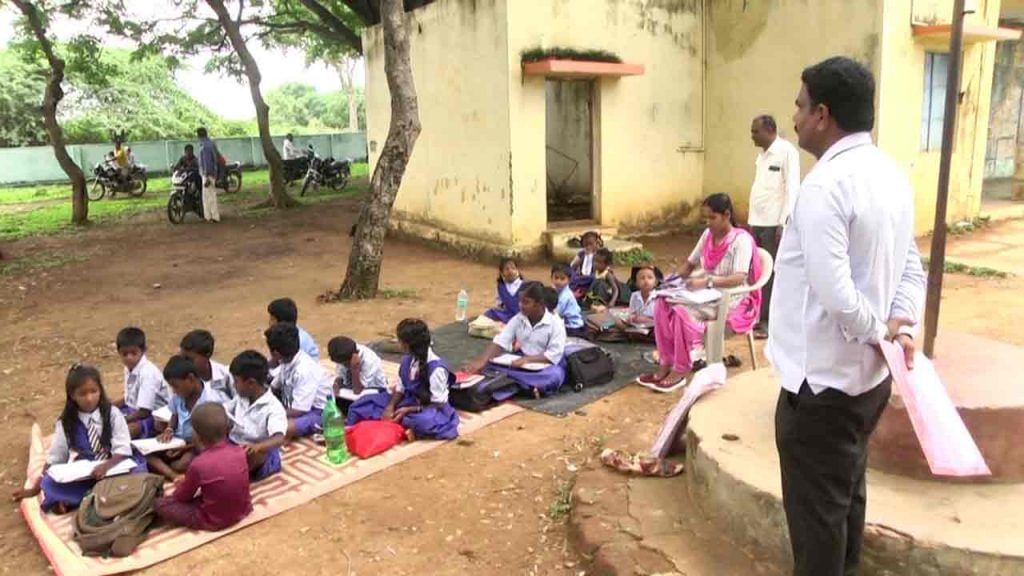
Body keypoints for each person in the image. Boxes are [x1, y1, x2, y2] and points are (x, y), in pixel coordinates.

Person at [769, 56, 925, 576]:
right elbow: (911, 266)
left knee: (817, 525)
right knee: (844, 504)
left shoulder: (825, 186)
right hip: (867, 384)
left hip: (820, 390)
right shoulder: (891, 175)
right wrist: (897, 323)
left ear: (823, 115)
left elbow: (836, 295)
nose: (793, 116)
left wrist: (882, 329)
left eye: (799, 105)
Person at [637, 193, 763, 393]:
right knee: (662, 302)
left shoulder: (741, 241)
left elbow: (739, 278)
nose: (708, 223)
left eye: (712, 218)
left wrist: (707, 281)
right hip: (704, 293)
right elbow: (689, 265)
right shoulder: (707, 235)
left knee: (680, 311)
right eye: (705, 218)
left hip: (730, 298)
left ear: (726, 215)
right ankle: (666, 362)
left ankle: (681, 369)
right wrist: (668, 282)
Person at [11, 364, 145, 513]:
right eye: (82, 394)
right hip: (87, 474)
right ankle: (100, 497)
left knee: (138, 474)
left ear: (100, 390)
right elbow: (56, 458)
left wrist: (105, 466)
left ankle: (84, 500)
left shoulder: (113, 414)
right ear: (72, 396)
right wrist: (35, 489)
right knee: (50, 483)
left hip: (115, 466)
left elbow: (123, 448)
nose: (89, 398)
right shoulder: (66, 422)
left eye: (94, 391)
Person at [155, 403, 252, 531]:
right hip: (243, 509)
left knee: (160, 504)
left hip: (212, 520)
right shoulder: (239, 451)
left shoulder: (198, 464)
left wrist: (181, 485)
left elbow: (182, 497)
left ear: (197, 436)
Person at [462, 281, 568, 399]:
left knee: (554, 376)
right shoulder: (518, 319)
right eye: (520, 301)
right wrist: (481, 361)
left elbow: (553, 355)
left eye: (526, 302)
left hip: (546, 365)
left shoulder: (556, 324)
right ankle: (525, 386)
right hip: (520, 363)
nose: (521, 305)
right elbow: (501, 341)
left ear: (540, 304)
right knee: (489, 365)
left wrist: (527, 360)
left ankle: (514, 384)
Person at [749, 114, 801, 339]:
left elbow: (792, 188)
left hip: (773, 223)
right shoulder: (762, 156)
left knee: (770, 273)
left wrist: (784, 222)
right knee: (756, 271)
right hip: (757, 221)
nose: (752, 136)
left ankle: (768, 322)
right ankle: (756, 316)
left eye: (755, 131)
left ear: (769, 130)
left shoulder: (786, 152)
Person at [148, 355, 226, 482]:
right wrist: (169, 430)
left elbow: (210, 439)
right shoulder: (179, 396)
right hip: (177, 441)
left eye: (175, 386)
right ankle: (173, 475)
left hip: (196, 445)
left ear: (190, 379)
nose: (173, 391)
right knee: (147, 455)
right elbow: (174, 415)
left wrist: (185, 448)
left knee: (183, 463)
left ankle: (171, 471)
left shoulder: (211, 401)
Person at [381, 319, 459, 441]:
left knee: (424, 421)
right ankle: (406, 425)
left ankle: (409, 426)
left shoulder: (436, 369)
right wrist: (390, 406)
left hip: (431, 407)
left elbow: (439, 402)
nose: (398, 344)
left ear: (406, 345)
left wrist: (409, 410)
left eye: (400, 341)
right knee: (374, 401)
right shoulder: (407, 360)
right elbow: (400, 387)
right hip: (410, 400)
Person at [225, 350, 287, 481]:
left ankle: (233, 474)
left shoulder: (273, 407)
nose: (233, 385)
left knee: (249, 456)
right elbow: (224, 410)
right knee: (205, 420)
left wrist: (258, 446)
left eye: (236, 381)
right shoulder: (241, 397)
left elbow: (279, 438)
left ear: (251, 383)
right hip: (235, 444)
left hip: (260, 451)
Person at [265, 323, 332, 439]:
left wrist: (269, 414)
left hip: (318, 411)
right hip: (295, 405)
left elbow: (299, 410)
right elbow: (274, 387)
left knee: (281, 428)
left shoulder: (304, 370)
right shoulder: (286, 361)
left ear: (275, 353)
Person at [113, 327, 170, 439]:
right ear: (118, 352)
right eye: (124, 354)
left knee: (125, 432)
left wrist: (123, 420)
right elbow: (129, 398)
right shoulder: (129, 368)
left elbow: (144, 411)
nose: (129, 358)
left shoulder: (147, 373)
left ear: (143, 350)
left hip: (154, 416)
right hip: (134, 410)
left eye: (133, 353)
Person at [327, 336, 391, 426]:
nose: (344, 365)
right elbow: (340, 375)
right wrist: (337, 383)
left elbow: (358, 390)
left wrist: (355, 369)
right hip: (350, 391)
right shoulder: (343, 352)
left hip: (374, 391)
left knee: (356, 410)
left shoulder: (369, 360)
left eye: (345, 363)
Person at [180, 329, 236, 400]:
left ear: (207, 355)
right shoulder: (183, 380)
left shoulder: (226, 375)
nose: (184, 363)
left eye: (189, 359)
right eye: (182, 358)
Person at [483, 257, 524, 324]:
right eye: (507, 269)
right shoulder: (501, 286)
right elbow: (500, 303)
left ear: (517, 271)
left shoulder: (525, 285)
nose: (510, 271)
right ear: (502, 273)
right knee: (489, 314)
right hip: (506, 314)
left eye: (513, 268)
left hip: (521, 314)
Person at [550, 264, 586, 337]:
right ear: (551, 278)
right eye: (556, 278)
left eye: (562, 279)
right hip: (566, 323)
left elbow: (557, 313)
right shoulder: (557, 290)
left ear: (569, 280)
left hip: (573, 327)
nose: (558, 281)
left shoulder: (565, 295)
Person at [196, 127, 221, 223]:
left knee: (208, 196)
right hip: (210, 173)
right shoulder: (210, 143)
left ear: (199, 135)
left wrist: (207, 176)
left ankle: (212, 216)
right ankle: (210, 216)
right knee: (209, 195)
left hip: (207, 174)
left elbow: (207, 163)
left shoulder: (205, 146)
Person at [569, 231, 603, 296]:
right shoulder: (581, 253)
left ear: (596, 243)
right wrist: (580, 259)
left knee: (594, 278)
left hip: (592, 276)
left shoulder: (599, 254)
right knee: (571, 275)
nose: (588, 247)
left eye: (591, 244)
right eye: (586, 245)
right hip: (581, 276)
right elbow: (572, 266)